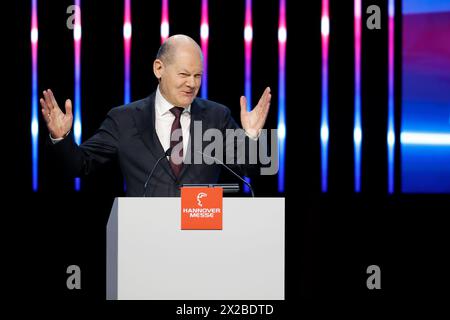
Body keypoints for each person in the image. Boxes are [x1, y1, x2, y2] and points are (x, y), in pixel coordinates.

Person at [40, 34, 271, 196]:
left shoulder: (216, 116)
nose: (192, 84)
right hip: (144, 242)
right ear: (159, 68)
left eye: (198, 76)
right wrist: (61, 139)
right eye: (184, 74)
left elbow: (250, 169)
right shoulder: (124, 119)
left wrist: (251, 138)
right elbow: (80, 166)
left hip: (202, 240)